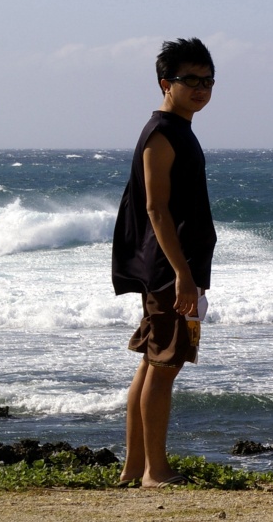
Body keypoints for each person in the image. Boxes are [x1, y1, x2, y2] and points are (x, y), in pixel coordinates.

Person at [111, 38, 217, 489]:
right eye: (190, 80)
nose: (200, 88)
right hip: (168, 269)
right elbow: (156, 209)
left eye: (207, 80)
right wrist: (182, 274)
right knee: (164, 365)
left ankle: (135, 467)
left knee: (153, 363)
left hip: (170, 267)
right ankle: (155, 471)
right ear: (165, 83)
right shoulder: (162, 133)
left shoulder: (178, 129)